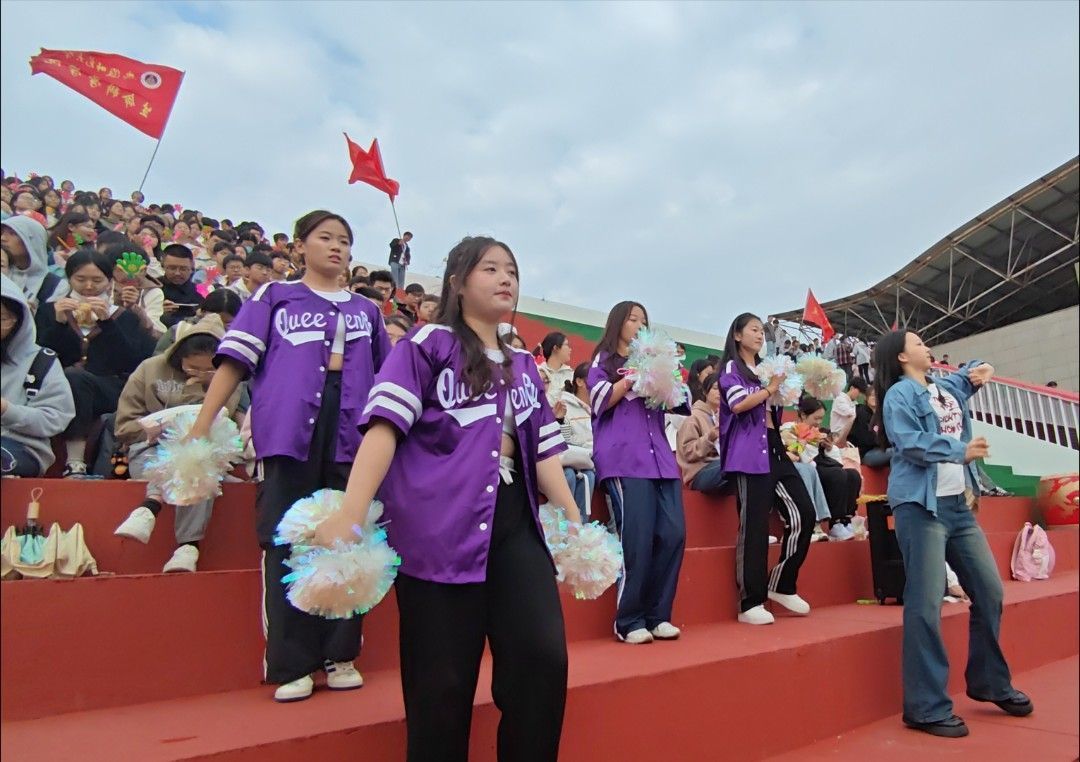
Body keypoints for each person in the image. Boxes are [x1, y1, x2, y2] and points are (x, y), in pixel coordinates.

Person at [315, 235, 580, 761]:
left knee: (542, 659)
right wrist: (350, 510)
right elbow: (384, 427)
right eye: (491, 269)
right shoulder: (427, 343)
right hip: (436, 524)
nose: (505, 279)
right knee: (441, 683)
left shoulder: (524, 364)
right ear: (458, 282)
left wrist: (574, 519)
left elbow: (546, 451)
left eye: (512, 271)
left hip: (514, 520)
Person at [189, 210, 391, 703]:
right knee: (287, 538)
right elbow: (235, 363)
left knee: (350, 537)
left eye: (345, 240)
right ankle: (291, 663)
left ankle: (340, 654)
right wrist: (202, 423)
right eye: (325, 237)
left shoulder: (366, 311)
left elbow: (388, 379)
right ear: (299, 245)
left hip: (352, 435)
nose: (337, 247)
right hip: (287, 431)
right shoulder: (274, 297)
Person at [874, 329, 1031, 738]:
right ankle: (924, 707)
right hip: (920, 507)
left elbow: (968, 374)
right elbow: (909, 443)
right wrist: (959, 450)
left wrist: (982, 368)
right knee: (925, 605)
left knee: (990, 592)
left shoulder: (943, 389)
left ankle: (988, 682)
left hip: (958, 508)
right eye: (918, 344)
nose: (927, 348)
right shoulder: (899, 396)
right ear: (901, 357)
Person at [588, 300, 688, 644]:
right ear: (618, 323)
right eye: (633, 319)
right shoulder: (604, 361)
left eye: (644, 321)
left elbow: (682, 402)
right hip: (624, 459)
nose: (639, 325)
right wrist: (635, 374)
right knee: (637, 536)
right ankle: (629, 620)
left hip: (661, 459)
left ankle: (659, 616)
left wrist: (664, 372)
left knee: (674, 534)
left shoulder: (657, 361)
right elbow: (600, 400)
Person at [113, 315, 242, 572]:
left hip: (204, 454)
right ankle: (188, 546)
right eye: (192, 367)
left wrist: (200, 389)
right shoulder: (149, 369)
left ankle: (151, 511)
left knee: (196, 460)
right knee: (189, 460)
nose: (199, 374)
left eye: (208, 370)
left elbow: (222, 427)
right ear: (179, 356)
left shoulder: (226, 381)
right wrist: (159, 431)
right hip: (148, 450)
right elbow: (123, 427)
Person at [717, 313, 816, 625]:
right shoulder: (733, 368)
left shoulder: (767, 367)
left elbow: (776, 403)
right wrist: (770, 387)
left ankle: (782, 582)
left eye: (762, 331)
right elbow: (738, 404)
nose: (760, 335)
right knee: (755, 526)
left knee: (805, 512)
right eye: (754, 330)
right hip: (748, 451)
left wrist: (782, 387)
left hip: (774, 445)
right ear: (737, 335)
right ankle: (750, 602)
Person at [37, 249, 156, 477]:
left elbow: (130, 360)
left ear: (110, 281)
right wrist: (59, 324)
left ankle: (76, 461)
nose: (89, 286)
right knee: (72, 377)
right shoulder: (50, 311)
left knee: (76, 377)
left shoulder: (124, 315)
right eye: (81, 279)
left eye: (97, 280)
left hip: (108, 387)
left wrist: (107, 323)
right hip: (58, 386)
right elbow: (43, 355)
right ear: (69, 279)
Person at [1, 275, 75, 476]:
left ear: (18, 320)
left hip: (19, 446)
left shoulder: (40, 360)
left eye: (2, 319)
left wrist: (7, 410)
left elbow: (56, 418)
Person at [782, 396, 861, 541]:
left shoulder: (820, 432)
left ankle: (846, 520)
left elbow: (836, 461)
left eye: (821, 418)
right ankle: (836, 523)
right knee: (837, 474)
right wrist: (808, 441)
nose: (818, 422)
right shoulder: (789, 429)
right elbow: (797, 454)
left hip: (824, 463)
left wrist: (829, 448)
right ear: (803, 415)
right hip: (806, 465)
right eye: (816, 418)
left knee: (853, 475)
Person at [2, 215, 61, 330]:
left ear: (32, 240)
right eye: (2, 233)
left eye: (13, 233)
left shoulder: (55, 285)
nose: (3, 238)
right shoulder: (3, 272)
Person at [557, 362, 596, 519]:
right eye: (595, 379)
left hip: (591, 461)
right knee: (569, 475)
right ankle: (563, 526)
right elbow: (564, 440)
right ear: (579, 382)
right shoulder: (564, 405)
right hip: (572, 459)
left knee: (591, 476)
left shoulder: (600, 406)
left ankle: (581, 526)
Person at [676, 372, 727, 494]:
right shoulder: (693, 417)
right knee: (734, 464)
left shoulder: (724, 417)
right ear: (705, 392)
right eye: (715, 388)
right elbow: (688, 453)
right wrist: (710, 438)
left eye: (724, 390)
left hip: (718, 468)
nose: (720, 393)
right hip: (699, 473)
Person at [154, 288, 242, 355]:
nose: (218, 325)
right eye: (212, 319)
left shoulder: (240, 339)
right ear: (202, 313)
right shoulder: (179, 331)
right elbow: (159, 360)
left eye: (227, 323)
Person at [159, 244, 202, 328]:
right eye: (172, 268)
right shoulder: (153, 288)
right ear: (163, 266)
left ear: (192, 268)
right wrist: (158, 311)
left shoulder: (201, 291)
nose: (177, 273)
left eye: (183, 269)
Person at [538, 332, 574, 409]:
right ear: (555, 348)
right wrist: (562, 391)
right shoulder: (538, 373)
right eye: (567, 345)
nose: (570, 349)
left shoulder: (571, 374)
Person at [829, 376, 867, 444]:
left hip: (850, 437)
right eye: (859, 392)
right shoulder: (840, 399)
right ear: (852, 388)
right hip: (837, 437)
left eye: (862, 393)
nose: (860, 395)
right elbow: (852, 414)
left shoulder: (854, 403)